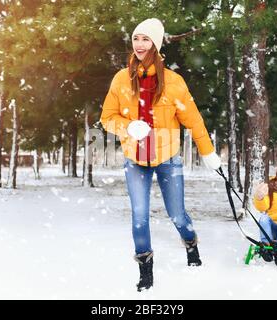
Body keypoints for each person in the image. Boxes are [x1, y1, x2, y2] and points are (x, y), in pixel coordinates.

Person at [100, 18, 221, 291]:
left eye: (145, 39)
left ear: (155, 43)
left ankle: (191, 245)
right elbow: (107, 118)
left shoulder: (174, 83)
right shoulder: (121, 80)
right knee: (139, 214)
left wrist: (208, 152)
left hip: (168, 158)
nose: (139, 44)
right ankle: (146, 269)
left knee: (177, 214)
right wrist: (128, 126)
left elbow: (195, 121)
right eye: (136, 39)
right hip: (135, 159)